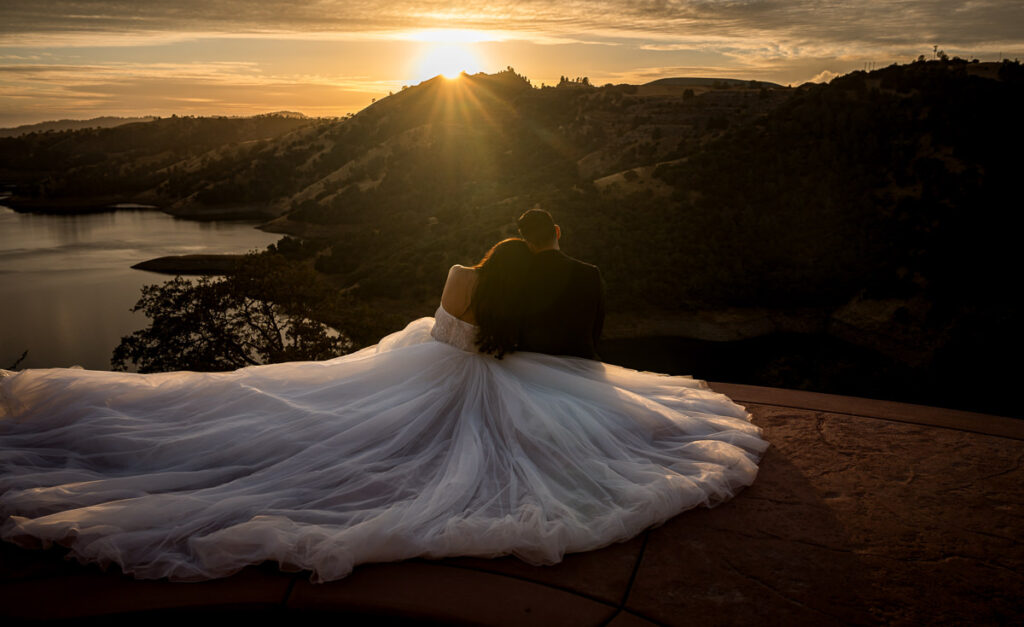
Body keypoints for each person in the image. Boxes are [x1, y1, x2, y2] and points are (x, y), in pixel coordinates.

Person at [0, 236, 767, 583]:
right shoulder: (547, 279)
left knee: (320, 421)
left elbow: (445, 333)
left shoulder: (472, 274)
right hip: (506, 371)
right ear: (550, 239)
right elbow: (555, 339)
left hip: (448, 365)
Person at [516, 209, 604, 359]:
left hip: (535, 368)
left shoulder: (518, 277)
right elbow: (597, 326)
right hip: (583, 364)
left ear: (527, 241)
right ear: (557, 231)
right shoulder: (590, 273)